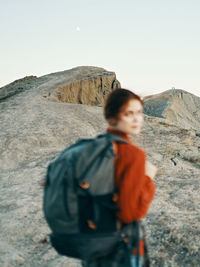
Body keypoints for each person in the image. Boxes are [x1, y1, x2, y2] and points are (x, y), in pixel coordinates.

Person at [82, 88, 157, 267]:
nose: (137, 119)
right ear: (112, 117)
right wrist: (148, 178)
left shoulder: (95, 146)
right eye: (129, 113)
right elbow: (130, 213)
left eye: (139, 112)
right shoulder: (133, 155)